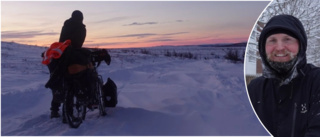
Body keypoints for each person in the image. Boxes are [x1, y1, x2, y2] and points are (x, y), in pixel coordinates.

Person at [247, 14, 320, 137]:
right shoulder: (255, 89)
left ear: (301, 45)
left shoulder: (316, 82)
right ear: (263, 48)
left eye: (287, 39)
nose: (280, 47)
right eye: (272, 40)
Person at [49, 10, 86, 118]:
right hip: (73, 56)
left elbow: (62, 40)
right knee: (75, 80)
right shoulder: (81, 27)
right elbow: (78, 43)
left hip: (60, 55)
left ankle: (54, 110)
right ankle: (71, 110)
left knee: (59, 82)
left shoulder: (66, 25)